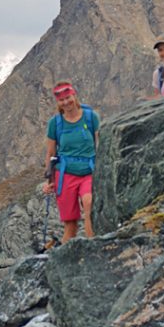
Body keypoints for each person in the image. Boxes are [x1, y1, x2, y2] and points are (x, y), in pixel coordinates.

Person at [42, 81, 99, 242]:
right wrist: (50, 179)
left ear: (74, 95)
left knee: (89, 203)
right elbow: (51, 152)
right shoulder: (56, 123)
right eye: (61, 100)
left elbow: (99, 144)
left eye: (68, 97)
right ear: (57, 102)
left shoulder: (91, 117)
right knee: (70, 223)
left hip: (89, 170)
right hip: (65, 174)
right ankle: (66, 260)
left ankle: (92, 246)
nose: (66, 102)